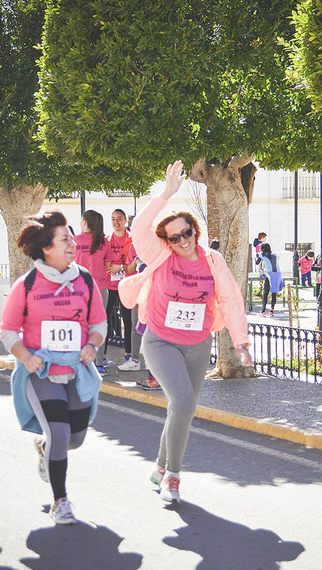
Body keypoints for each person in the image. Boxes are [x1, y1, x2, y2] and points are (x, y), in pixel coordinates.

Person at [119, 161, 252, 504]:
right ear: (166, 240)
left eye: (186, 233)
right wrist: (165, 194)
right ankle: (173, 478)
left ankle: (160, 467)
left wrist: (242, 343)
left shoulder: (211, 260)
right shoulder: (161, 256)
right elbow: (138, 229)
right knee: (182, 402)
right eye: (173, 237)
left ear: (196, 231)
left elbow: (231, 299)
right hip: (161, 341)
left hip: (197, 345)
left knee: (183, 409)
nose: (182, 241)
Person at [1, 210, 108, 525]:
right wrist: (25, 356)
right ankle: (60, 502)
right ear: (47, 248)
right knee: (60, 432)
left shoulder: (85, 279)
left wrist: (92, 344)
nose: (73, 243)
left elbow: (99, 322)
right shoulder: (28, 284)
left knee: (74, 439)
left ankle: (44, 446)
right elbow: (7, 330)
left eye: (72, 238)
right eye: (65, 239)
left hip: (76, 371)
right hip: (42, 371)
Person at [73, 209, 112, 369]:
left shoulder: (74, 240)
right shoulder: (104, 243)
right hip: (100, 289)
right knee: (99, 326)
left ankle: (80, 362)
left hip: (78, 290)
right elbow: (108, 266)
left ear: (85, 222)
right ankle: (99, 364)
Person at [105, 208, 136, 366]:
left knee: (128, 321)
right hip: (109, 284)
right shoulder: (106, 240)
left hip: (126, 284)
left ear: (125, 220)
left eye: (119, 219)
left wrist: (121, 267)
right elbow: (104, 262)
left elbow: (132, 265)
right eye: (113, 219)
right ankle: (101, 356)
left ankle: (129, 354)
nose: (116, 222)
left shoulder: (132, 239)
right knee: (104, 319)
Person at [258, 243, 283, 317]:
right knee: (274, 292)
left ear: (262, 249)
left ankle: (263, 311)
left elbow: (257, 263)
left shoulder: (262, 255)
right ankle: (271, 311)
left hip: (269, 274)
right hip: (277, 273)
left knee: (266, 292)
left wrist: (258, 256)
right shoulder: (274, 254)